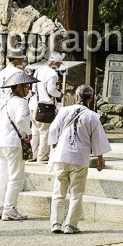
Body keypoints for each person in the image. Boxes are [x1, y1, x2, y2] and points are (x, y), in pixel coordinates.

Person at [47, 84, 112, 234]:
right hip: (79, 157)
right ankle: (70, 225)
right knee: (76, 193)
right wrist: (100, 159)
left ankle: (56, 223)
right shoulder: (92, 116)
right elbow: (98, 140)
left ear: (76, 97)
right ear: (91, 99)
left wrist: (55, 145)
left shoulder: (63, 111)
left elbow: (53, 130)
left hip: (62, 155)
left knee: (58, 191)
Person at [0, 69, 35, 220]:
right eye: (26, 86)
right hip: (14, 142)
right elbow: (21, 120)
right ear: (18, 87)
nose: (28, 89)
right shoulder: (21, 102)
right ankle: (9, 209)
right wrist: (28, 132)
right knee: (15, 178)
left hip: (1, 142)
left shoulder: (4, 102)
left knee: (2, 177)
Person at [32, 51, 64, 161]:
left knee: (35, 132)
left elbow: (33, 88)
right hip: (45, 106)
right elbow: (51, 90)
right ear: (54, 62)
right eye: (58, 63)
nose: (59, 66)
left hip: (34, 104)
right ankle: (42, 156)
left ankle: (33, 155)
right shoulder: (52, 74)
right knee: (45, 132)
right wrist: (60, 94)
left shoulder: (38, 70)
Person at [0, 41, 29, 109]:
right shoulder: (18, 72)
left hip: (0, 104)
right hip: (13, 104)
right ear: (17, 59)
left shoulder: (1, 72)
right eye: (21, 59)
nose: (22, 61)